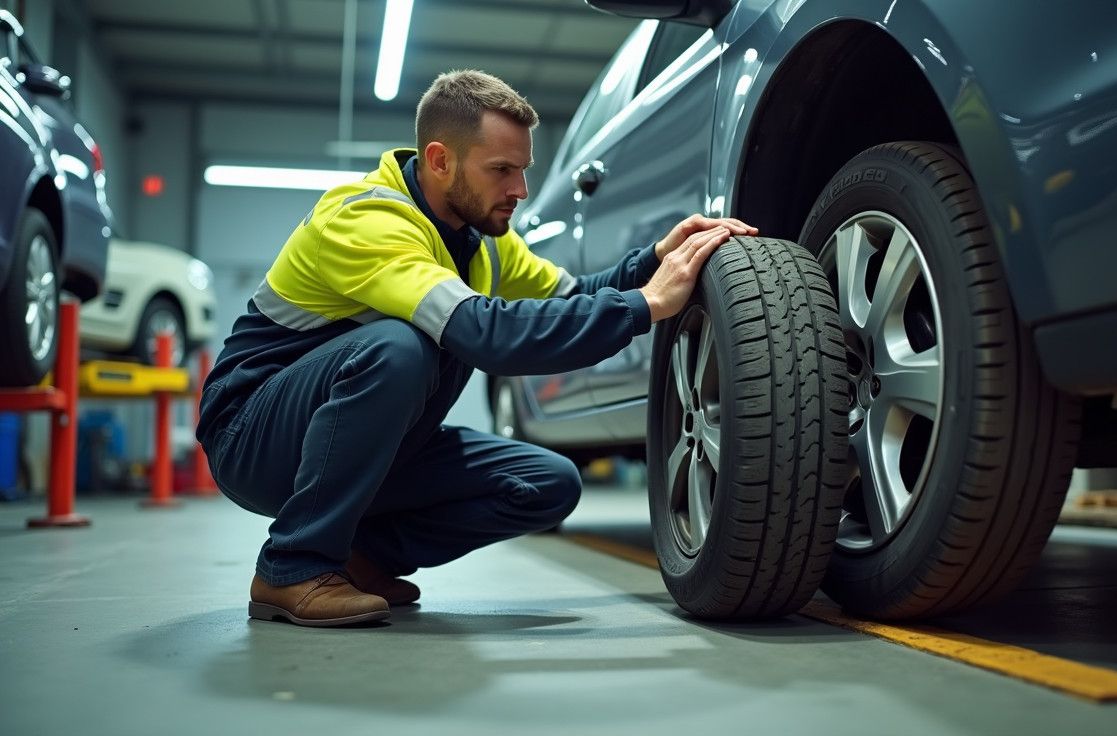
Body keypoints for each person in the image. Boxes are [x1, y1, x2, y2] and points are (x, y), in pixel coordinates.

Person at [196, 69, 757, 627]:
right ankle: (292, 567)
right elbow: (486, 335)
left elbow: (571, 295)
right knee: (399, 348)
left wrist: (655, 261)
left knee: (548, 483)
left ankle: (358, 561)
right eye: (502, 171)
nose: (521, 191)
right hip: (251, 435)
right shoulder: (365, 217)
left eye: (523, 170)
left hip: (370, 443)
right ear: (440, 160)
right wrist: (645, 307)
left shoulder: (481, 238)